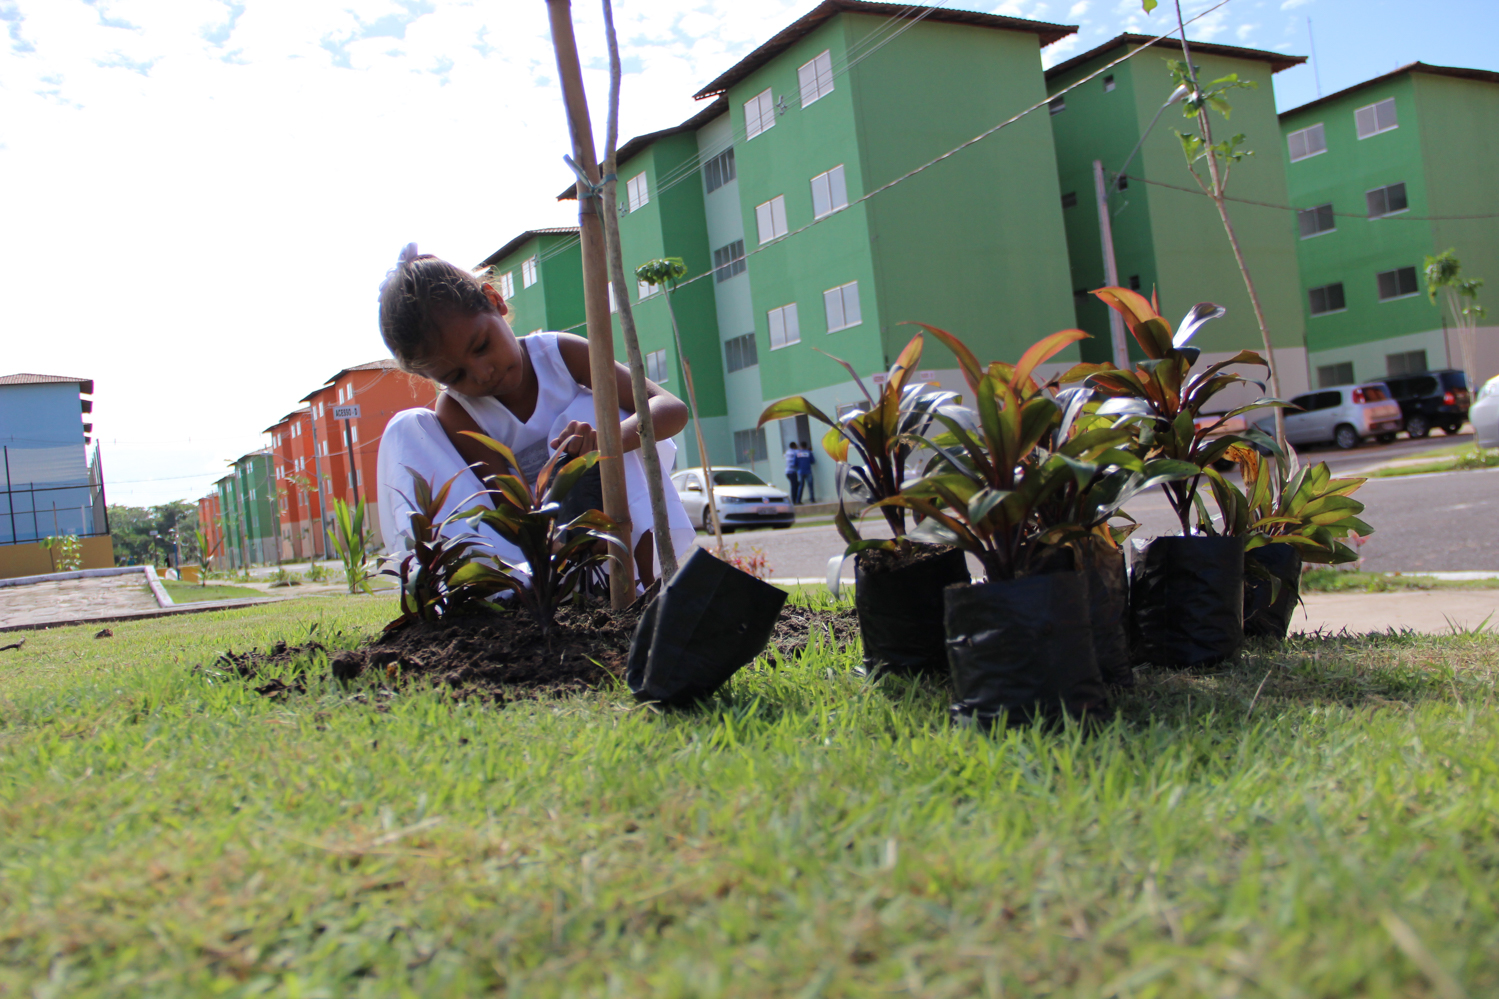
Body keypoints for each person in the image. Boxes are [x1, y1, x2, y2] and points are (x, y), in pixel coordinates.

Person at [374, 244, 696, 587]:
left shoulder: (560, 356)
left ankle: (644, 587)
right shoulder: (457, 410)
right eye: (455, 377)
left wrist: (604, 442)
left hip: (622, 509)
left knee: (598, 413)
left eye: (481, 346)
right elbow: (508, 504)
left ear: (494, 301)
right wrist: (554, 547)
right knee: (410, 428)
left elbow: (671, 410)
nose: (482, 374)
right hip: (547, 542)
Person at [783, 439, 802, 505]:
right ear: (794, 446)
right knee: (795, 485)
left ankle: (794, 500)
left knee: (794, 485)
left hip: (787, 472)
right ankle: (794, 500)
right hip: (792, 471)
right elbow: (802, 454)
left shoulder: (787, 452)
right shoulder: (795, 452)